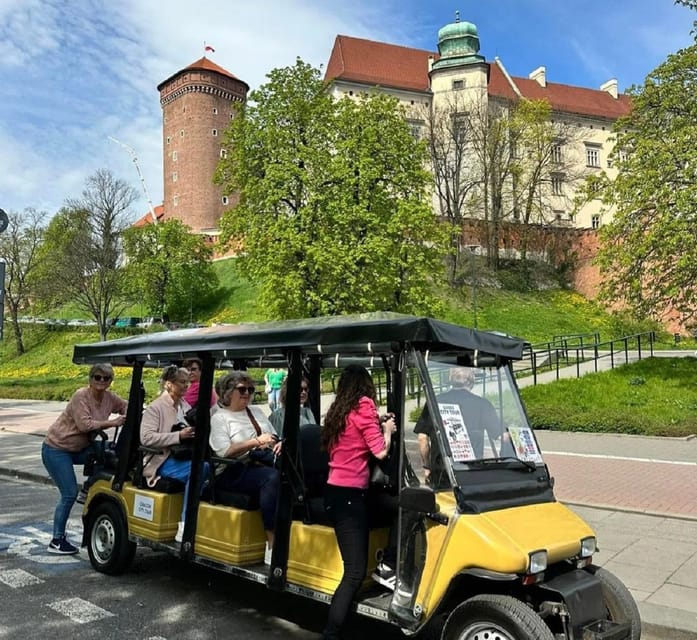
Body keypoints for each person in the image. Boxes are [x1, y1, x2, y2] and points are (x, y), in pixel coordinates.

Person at [320, 365, 396, 640]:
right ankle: (331, 633)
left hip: (335, 491)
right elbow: (380, 451)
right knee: (353, 572)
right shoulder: (364, 405)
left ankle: (388, 565)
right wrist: (386, 429)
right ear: (365, 385)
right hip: (351, 496)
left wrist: (378, 419)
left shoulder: (339, 410)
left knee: (398, 507)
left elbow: (358, 428)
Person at [42, 363, 127, 554]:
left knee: (111, 452)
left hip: (81, 447)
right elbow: (84, 425)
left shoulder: (108, 397)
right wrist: (113, 422)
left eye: (106, 378)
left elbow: (125, 406)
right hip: (57, 448)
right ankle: (56, 540)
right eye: (97, 377)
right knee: (69, 493)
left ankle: (91, 485)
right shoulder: (81, 396)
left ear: (111, 381)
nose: (101, 381)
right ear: (90, 379)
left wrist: (132, 414)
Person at [209, 371, 281, 560]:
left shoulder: (256, 411)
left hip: (261, 461)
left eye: (250, 389)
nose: (247, 393)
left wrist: (272, 443)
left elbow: (273, 436)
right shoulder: (220, 417)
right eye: (242, 389)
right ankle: (272, 542)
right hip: (233, 469)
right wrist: (255, 442)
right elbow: (224, 452)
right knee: (271, 478)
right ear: (227, 392)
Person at [141, 365, 208, 543]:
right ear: (169, 384)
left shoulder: (184, 405)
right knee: (200, 469)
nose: (186, 386)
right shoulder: (156, 408)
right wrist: (178, 435)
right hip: (161, 459)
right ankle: (186, 523)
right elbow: (146, 438)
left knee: (211, 467)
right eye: (182, 382)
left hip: (184, 455)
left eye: (187, 382)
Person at [414, 367, 506, 488]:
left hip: (442, 470)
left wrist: (427, 467)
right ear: (471, 380)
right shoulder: (482, 404)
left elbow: (422, 438)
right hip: (472, 470)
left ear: (451, 380)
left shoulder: (435, 402)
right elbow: (504, 436)